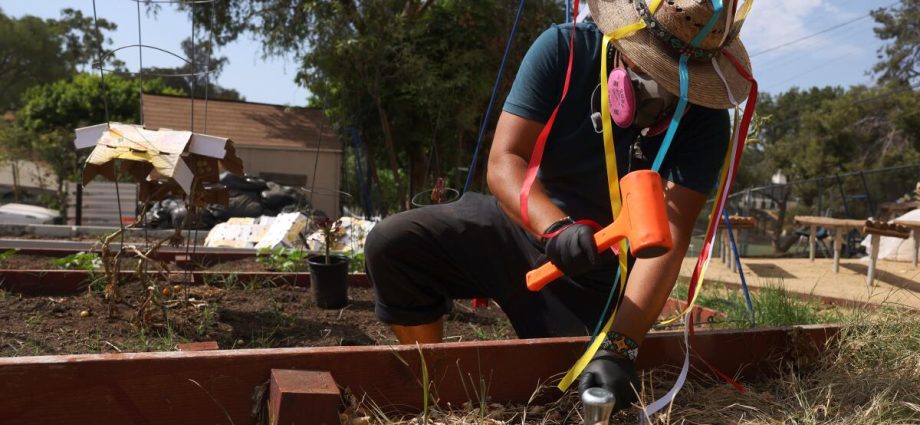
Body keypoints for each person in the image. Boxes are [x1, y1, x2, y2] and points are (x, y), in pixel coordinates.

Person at [364, 0, 752, 412]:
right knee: (394, 244)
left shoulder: (706, 121)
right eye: (652, 64)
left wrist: (620, 348)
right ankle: (433, 388)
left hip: (595, 272)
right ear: (627, 37)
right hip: (522, 225)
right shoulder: (563, 51)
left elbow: (669, 236)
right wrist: (556, 228)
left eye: (673, 76)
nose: (660, 85)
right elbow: (505, 161)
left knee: (571, 386)